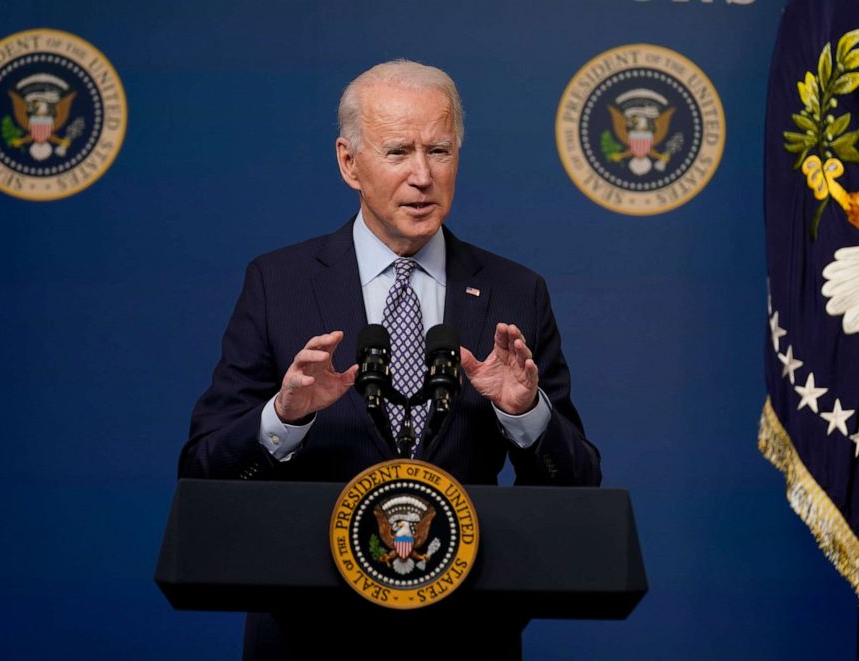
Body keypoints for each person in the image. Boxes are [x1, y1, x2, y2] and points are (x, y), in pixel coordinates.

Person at [181, 59, 601, 660]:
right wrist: (284, 416)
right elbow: (202, 472)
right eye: (399, 151)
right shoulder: (280, 283)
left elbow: (578, 485)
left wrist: (526, 413)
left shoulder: (515, 292)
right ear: (349, 163)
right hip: (310, 636)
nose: (423, 176)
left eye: (440, 150)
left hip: (466, 636)